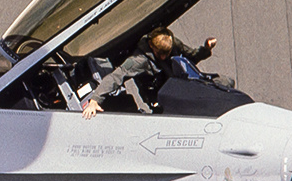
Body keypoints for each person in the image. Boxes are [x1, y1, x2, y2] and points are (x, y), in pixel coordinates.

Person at [80, 27, 217, 118]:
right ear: (151, 46)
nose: (164, 57)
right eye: (160, 53)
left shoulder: (171, 43)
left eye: (167, 53)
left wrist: (205, 49)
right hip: (159, 96)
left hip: (180, 85)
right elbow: (116, 77)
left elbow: (191, 57)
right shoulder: (139, 60)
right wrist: (95, 100)